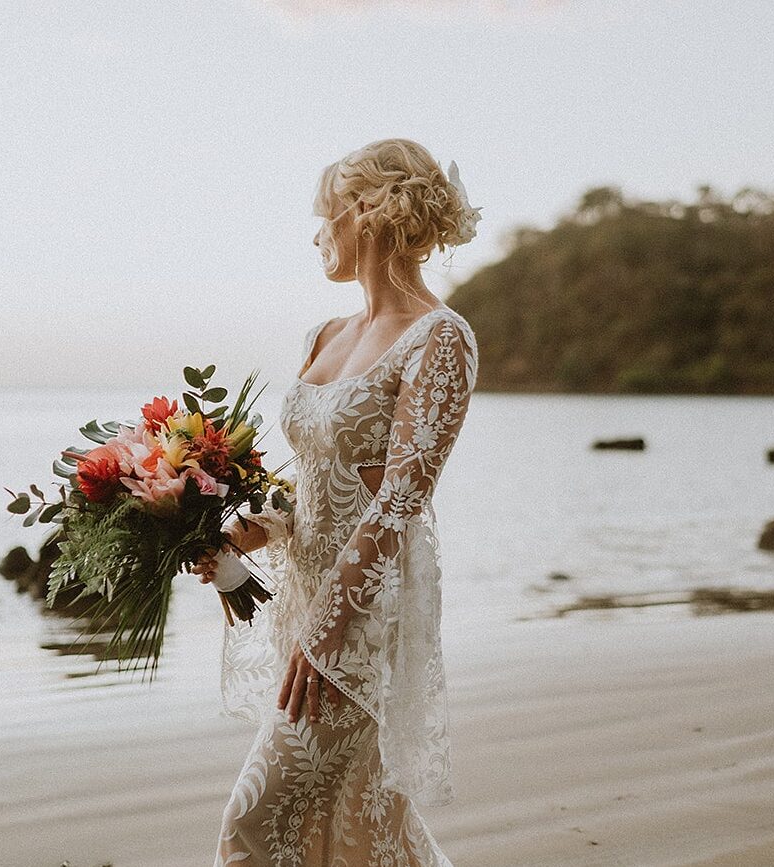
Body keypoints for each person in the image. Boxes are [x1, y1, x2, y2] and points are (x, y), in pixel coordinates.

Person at [194, 138, 480, 866]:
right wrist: (249, 531)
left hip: (361, 624)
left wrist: (326, 634)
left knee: (252, 825)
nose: (318, 232)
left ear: (368, 212)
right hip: (305, 605)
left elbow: (397, 504)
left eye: (327, 214)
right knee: (352, 824)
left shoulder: (441, 339)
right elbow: (319, 485)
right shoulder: (323, 334)